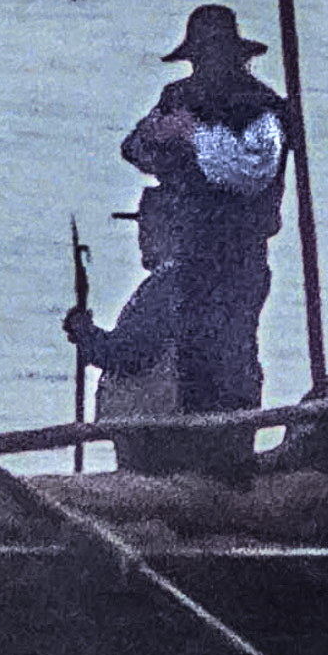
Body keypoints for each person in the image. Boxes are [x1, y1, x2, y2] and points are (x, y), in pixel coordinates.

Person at [117, 3, 288, 468]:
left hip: (238, 254)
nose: (204, 67)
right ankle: (197, 460)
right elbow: (134, 147)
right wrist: (161, 136)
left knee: (231, 352)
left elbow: (249, 172)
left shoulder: (261, 110)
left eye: (213, 56)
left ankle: (231, 461)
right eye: (200, 58)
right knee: (193, 355)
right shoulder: (177, 97)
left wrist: (192, 134)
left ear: (234, 58)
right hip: (188, 248)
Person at [63, 188, 200, 475]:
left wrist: (88, 335)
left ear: (174, 230)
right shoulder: (185, 282)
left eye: (149, 229)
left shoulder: (165, 287)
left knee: (146, 483)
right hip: (156, 423)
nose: (141, 239)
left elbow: (130, 353)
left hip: (151, 426)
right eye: (141, 229)